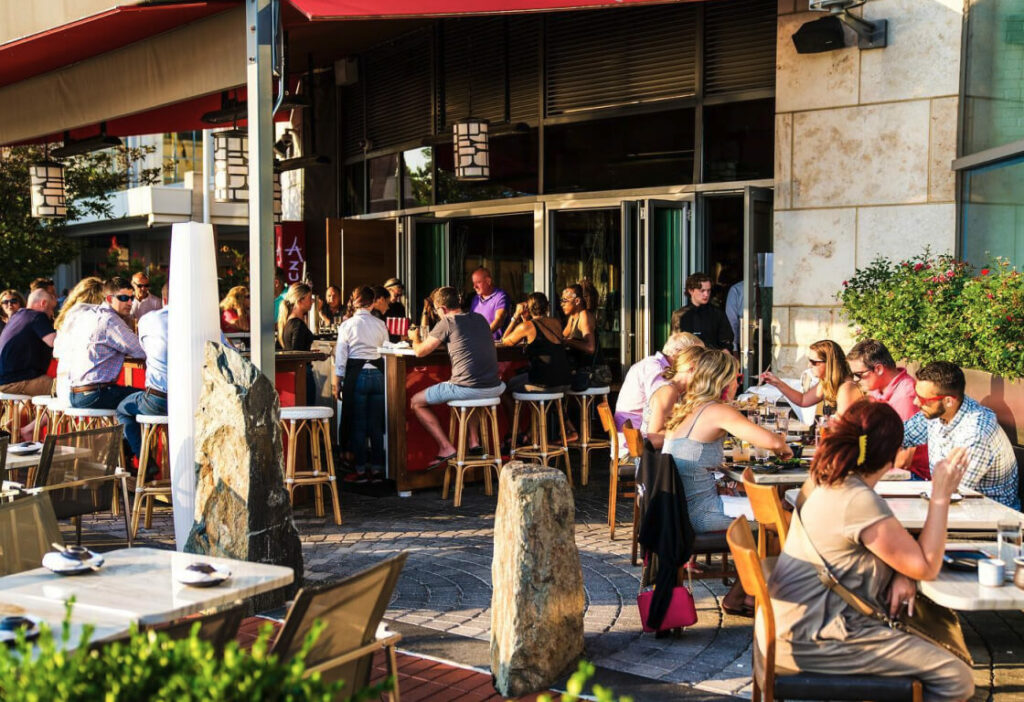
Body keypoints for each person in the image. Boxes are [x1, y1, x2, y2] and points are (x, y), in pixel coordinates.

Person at [768, 400, 974, 701]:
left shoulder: (825, 480)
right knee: (955, 676)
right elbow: (926, 566)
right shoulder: (856, 499)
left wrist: (902, 574)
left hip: (794, 628)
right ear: (891, 457)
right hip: (817, 639)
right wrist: (941, 495)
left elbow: (900, 557)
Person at [662, 349, 791, 533]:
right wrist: (784, 447)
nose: (738, 384)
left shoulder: (687, 409)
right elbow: (773, 443)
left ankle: (770, 559)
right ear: (723, 381)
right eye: (735, 379)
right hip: (703, 514)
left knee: (777, 508)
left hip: (683, 511)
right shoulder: (718, 411)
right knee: (788, 519)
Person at [902, 361, 1019, 509]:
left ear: (949, 401)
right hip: (953, 502)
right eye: (916, 394)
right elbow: (901, 434)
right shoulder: (939, 411)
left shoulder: (975, 434)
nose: (916, 402)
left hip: (988, 516)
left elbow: (953, 493)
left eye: (924, 399)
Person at [409, 287, 505, 465]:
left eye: (437, 311)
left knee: (416, 401)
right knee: (472, 390)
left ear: (442, 309)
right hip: (494, 387)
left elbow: (420, 352)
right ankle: (474, 441)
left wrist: (414, 338)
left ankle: (446, 447)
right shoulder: (480, 318)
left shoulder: (447, 322)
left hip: (467, 388)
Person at [847, 338, 929, 479]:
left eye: (858, 375)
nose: (856, 380)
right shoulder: (877, 389)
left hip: (912, 476)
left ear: (878, 369)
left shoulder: (906, 396)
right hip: (885, 468)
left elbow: (903, 459)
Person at [332, 286, 389, 482]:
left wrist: (337, 382)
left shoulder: (347, 325)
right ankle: (378, 468)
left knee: (358, 425)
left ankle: (360, 469)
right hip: (378, 375)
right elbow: (386, 350)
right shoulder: (380, 324)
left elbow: (341, 358)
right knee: (375, 424)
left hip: (357, 375)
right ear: (372, 302)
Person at [64, 277, 146, 410]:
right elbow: (141, 350)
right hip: (95, 394)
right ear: (109, 299)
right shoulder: (110, 320)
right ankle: (126, 431)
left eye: (132, 298)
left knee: (132, 400)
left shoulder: (90, 314)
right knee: (149, 401)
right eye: (124, 298)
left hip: (75, 394)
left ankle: (122, 430)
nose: (130, 303)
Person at [116, 283, 169, 477]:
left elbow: (141, 349)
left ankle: (145, 462)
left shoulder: (150, 320)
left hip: (160, 400)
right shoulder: (205, 321)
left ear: (163, 300)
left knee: (123, 408)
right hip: (198, 402)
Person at [615, 332, 703, 432]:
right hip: (635, 439)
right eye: (697, 354)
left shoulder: (653, 364)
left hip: (635, 434)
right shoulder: (655, 369)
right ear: (680, 353)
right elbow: (660, 407)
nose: (702, 362)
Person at [761, 340, 864, 417]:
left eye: (814, 362)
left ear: (829, 363)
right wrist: (777, 383)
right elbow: (803, 400)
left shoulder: (846, 388)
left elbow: (842, 426)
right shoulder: (826, 382)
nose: (809, 365)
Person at [501, 292, 570, 393]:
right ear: (546, 307)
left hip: (545, 383)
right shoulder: (556, 323)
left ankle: (533, 408)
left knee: (507, 386)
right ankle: (538, 408)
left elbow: (505, 340)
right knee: (520, 379)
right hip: (564, 380)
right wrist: (525, 319)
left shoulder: (527, 326)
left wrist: (515, 316)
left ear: (528, 309)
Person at [644, 345, 707, 449]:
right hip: (655, 460)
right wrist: (694, 433)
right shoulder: (668, 391)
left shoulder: (681, 392)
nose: (708, 378)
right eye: (705, 372)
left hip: (666, 455)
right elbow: (654, 438)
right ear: (692, 368)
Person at [0, 288, 57, 398]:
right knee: (68, 388)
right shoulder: (37, 316)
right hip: (17, 380)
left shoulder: (16, 317)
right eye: (51, 309)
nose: (51, 313)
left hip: (5, 380)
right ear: (44, 303)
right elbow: (55, 343)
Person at [671, 273, 734, 350]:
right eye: (702, 291)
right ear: (691, 291)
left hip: (712, 359)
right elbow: (674, 343)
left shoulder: (717, 313)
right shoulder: (680, 315)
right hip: (687, 359)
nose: (706, 294)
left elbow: (726, 341)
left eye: (708, 290)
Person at [467, 267, 509, 340]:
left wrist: (481, 337)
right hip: (477, 344)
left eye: (478, 282)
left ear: (488, 281)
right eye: (473, 283)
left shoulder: (500, 296)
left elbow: (499, 320)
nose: (474, 287)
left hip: (496, 345)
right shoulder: (475, 299)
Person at [278, 283, 315, 352]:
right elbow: (297, 355)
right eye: (309, 298)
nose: (312, 301)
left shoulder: (287, 322)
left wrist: (310, 353)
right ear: (300, 301)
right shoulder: (298, 325)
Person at [725, 280, 743, 353]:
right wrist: (734, 349)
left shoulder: (769, 287)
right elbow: (731, 321)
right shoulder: (736, 289)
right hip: (743, 343)